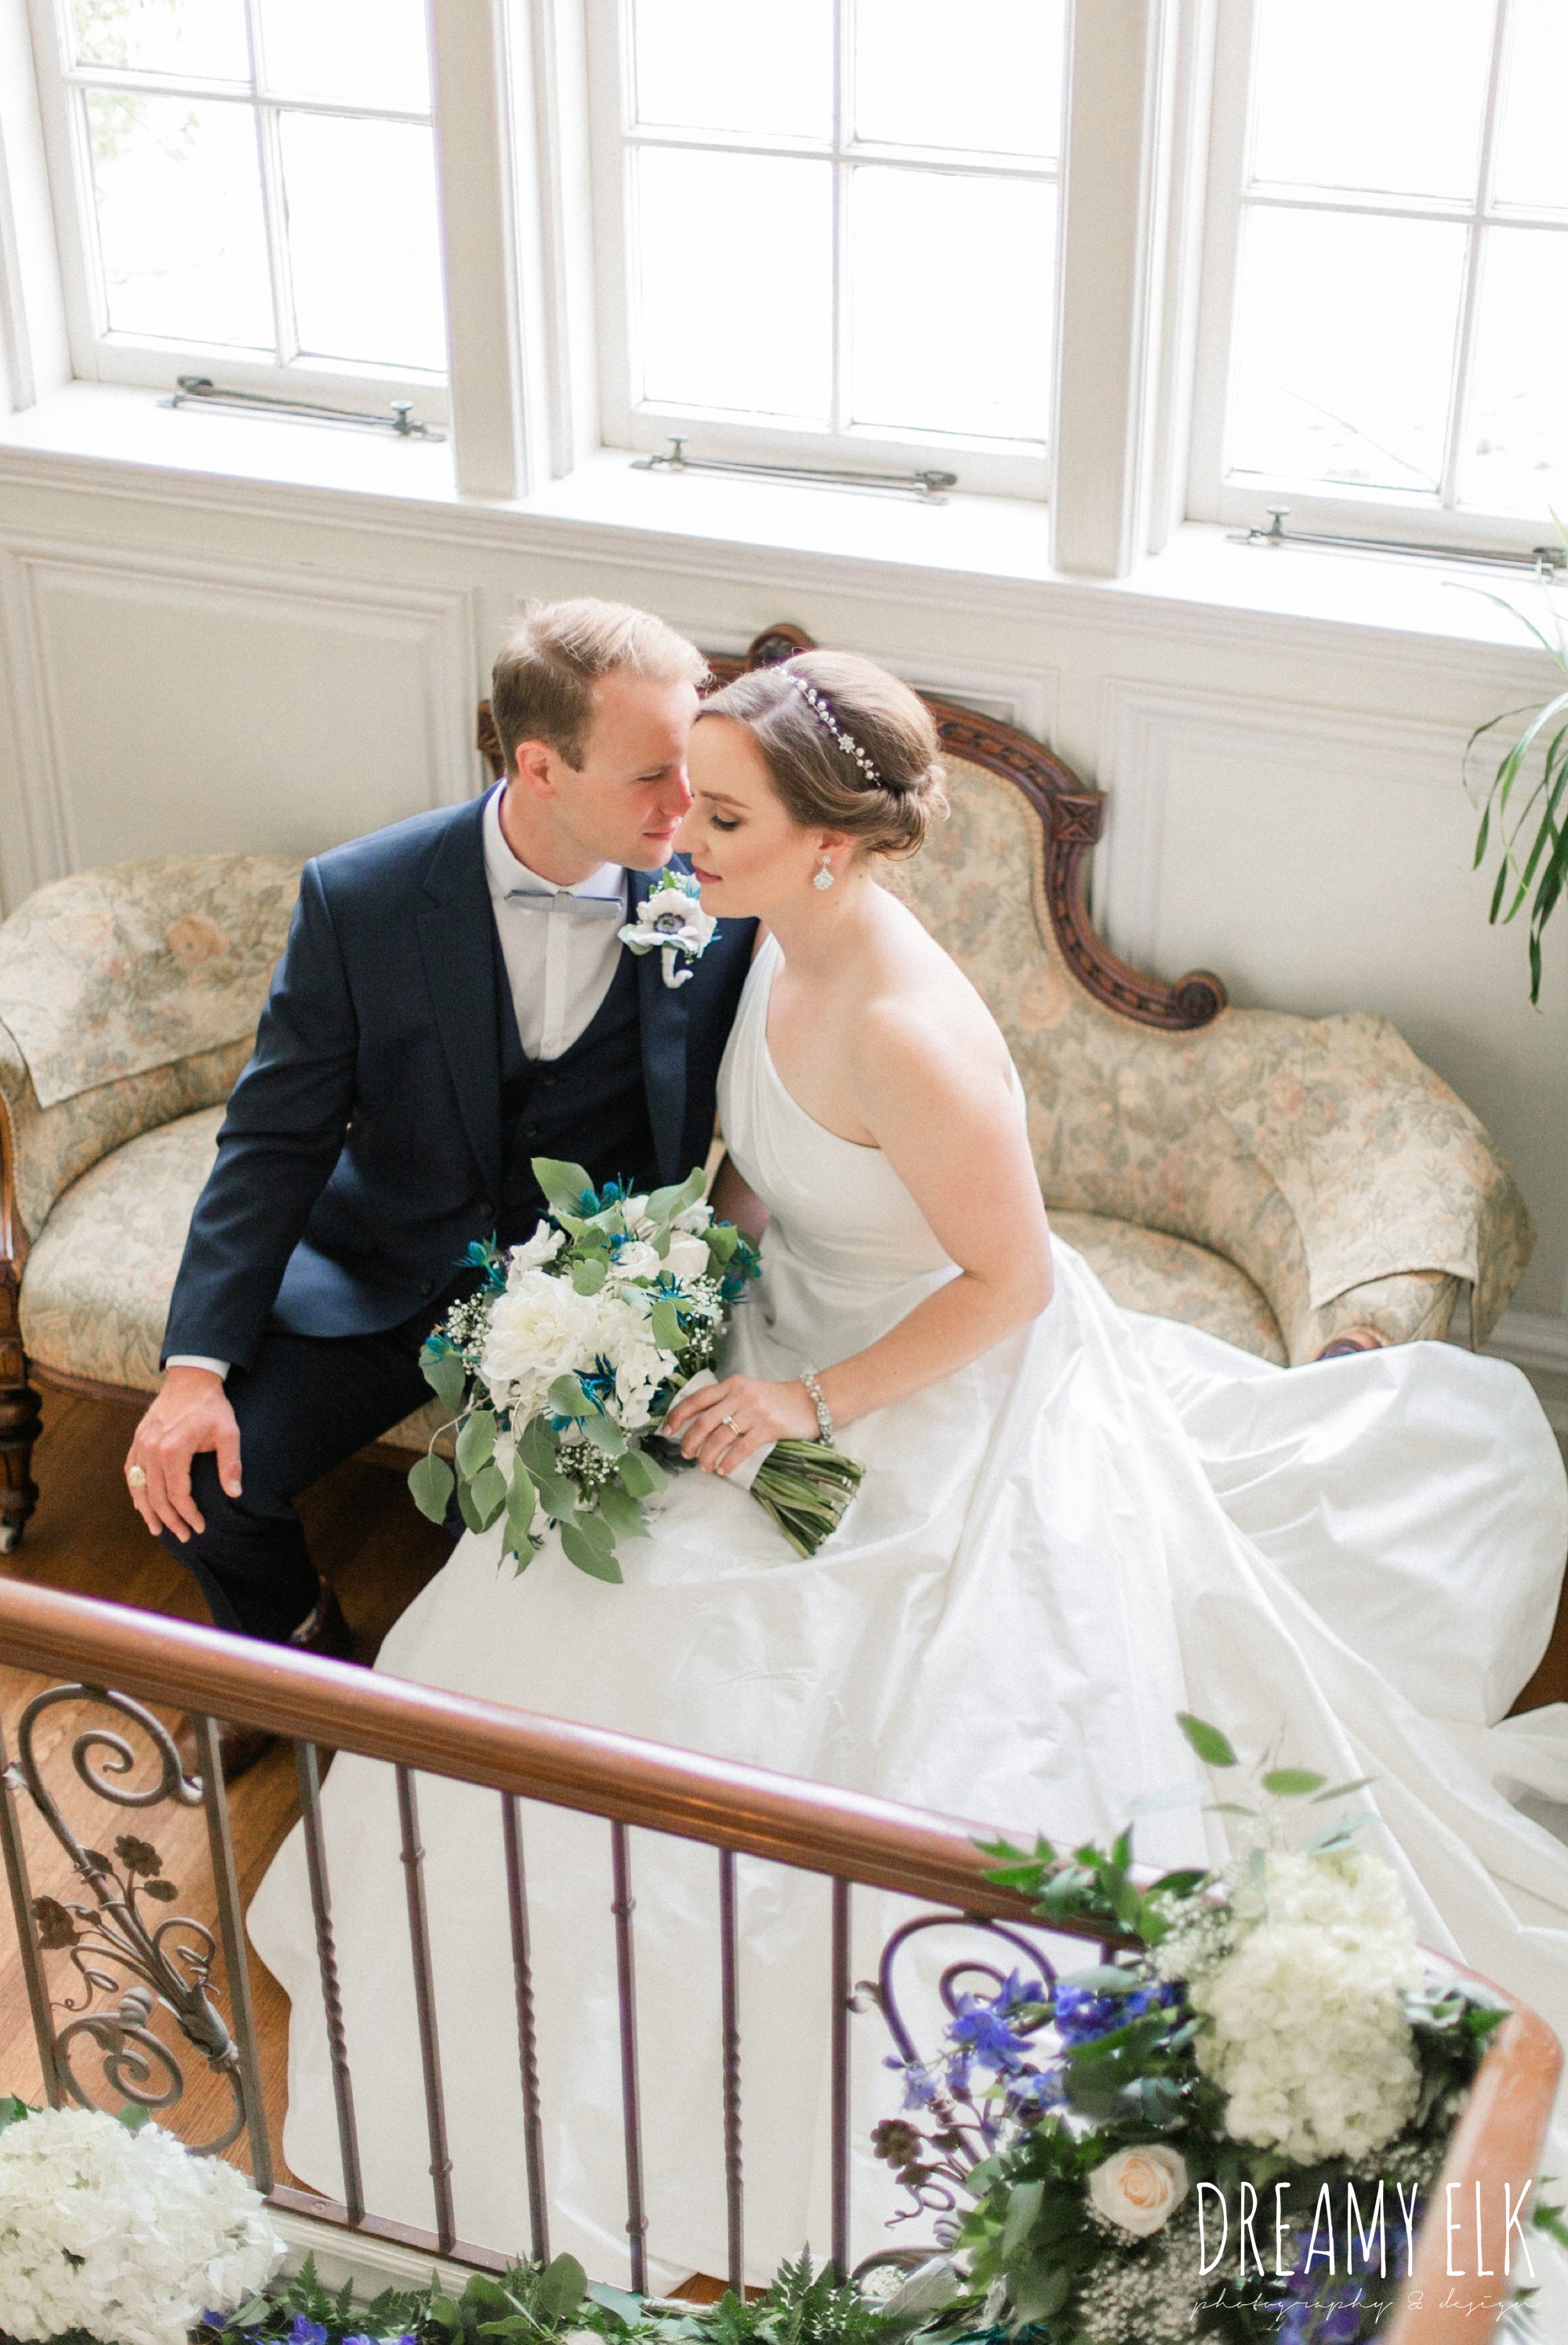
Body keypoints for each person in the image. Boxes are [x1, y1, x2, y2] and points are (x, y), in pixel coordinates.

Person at [249, 649, 1568, 2289]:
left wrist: (811, 1403)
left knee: (758, 1669)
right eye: (683, 797)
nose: (683, 832)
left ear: (829, 840)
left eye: (720, 811)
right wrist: (649, 1283)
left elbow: (1007, 1286)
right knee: (532, 1616)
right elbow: (759, 1182)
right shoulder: (769, 947)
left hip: (932, 1390)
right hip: (780, 1336)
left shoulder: (905, 1023)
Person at [125, 598, 755, 1775]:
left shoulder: (712, 898)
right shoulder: (361, 899)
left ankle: (472, 1742)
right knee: (206, 1483)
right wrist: (192, 1369)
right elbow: (274, 1140)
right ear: (538, 764)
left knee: (527, 1545)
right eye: (653, 778)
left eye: (694, 771)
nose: (686, 810)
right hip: (384, 1262)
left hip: (594, 1292)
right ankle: (298, 1649)